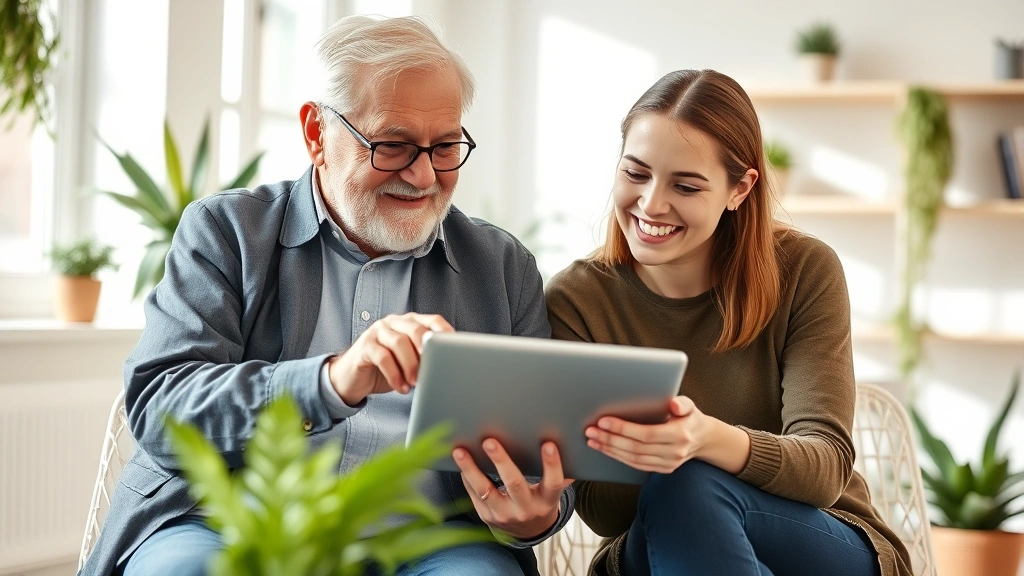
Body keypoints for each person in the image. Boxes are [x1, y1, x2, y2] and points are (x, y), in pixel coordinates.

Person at [80, 15, 573, 576]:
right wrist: (332, 381)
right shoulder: (227, 231)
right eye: (393, 145)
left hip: (429, 543)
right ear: (317, 133)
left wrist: (533, 515)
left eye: (445, 146)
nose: (423, 176)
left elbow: (543, 456)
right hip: (228, 523)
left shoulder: (503, 267)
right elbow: (162, 406)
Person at [545, 69, 912, 576]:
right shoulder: (577, 300)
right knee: (682, 491)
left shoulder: (804, 270)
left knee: (690, 481)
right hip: (657, 546)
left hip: (816, 537)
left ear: (739, 189)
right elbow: (604, 513)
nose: (651, 204)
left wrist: (703, 439)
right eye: (635, 173)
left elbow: (824, 468)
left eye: (687, 185)